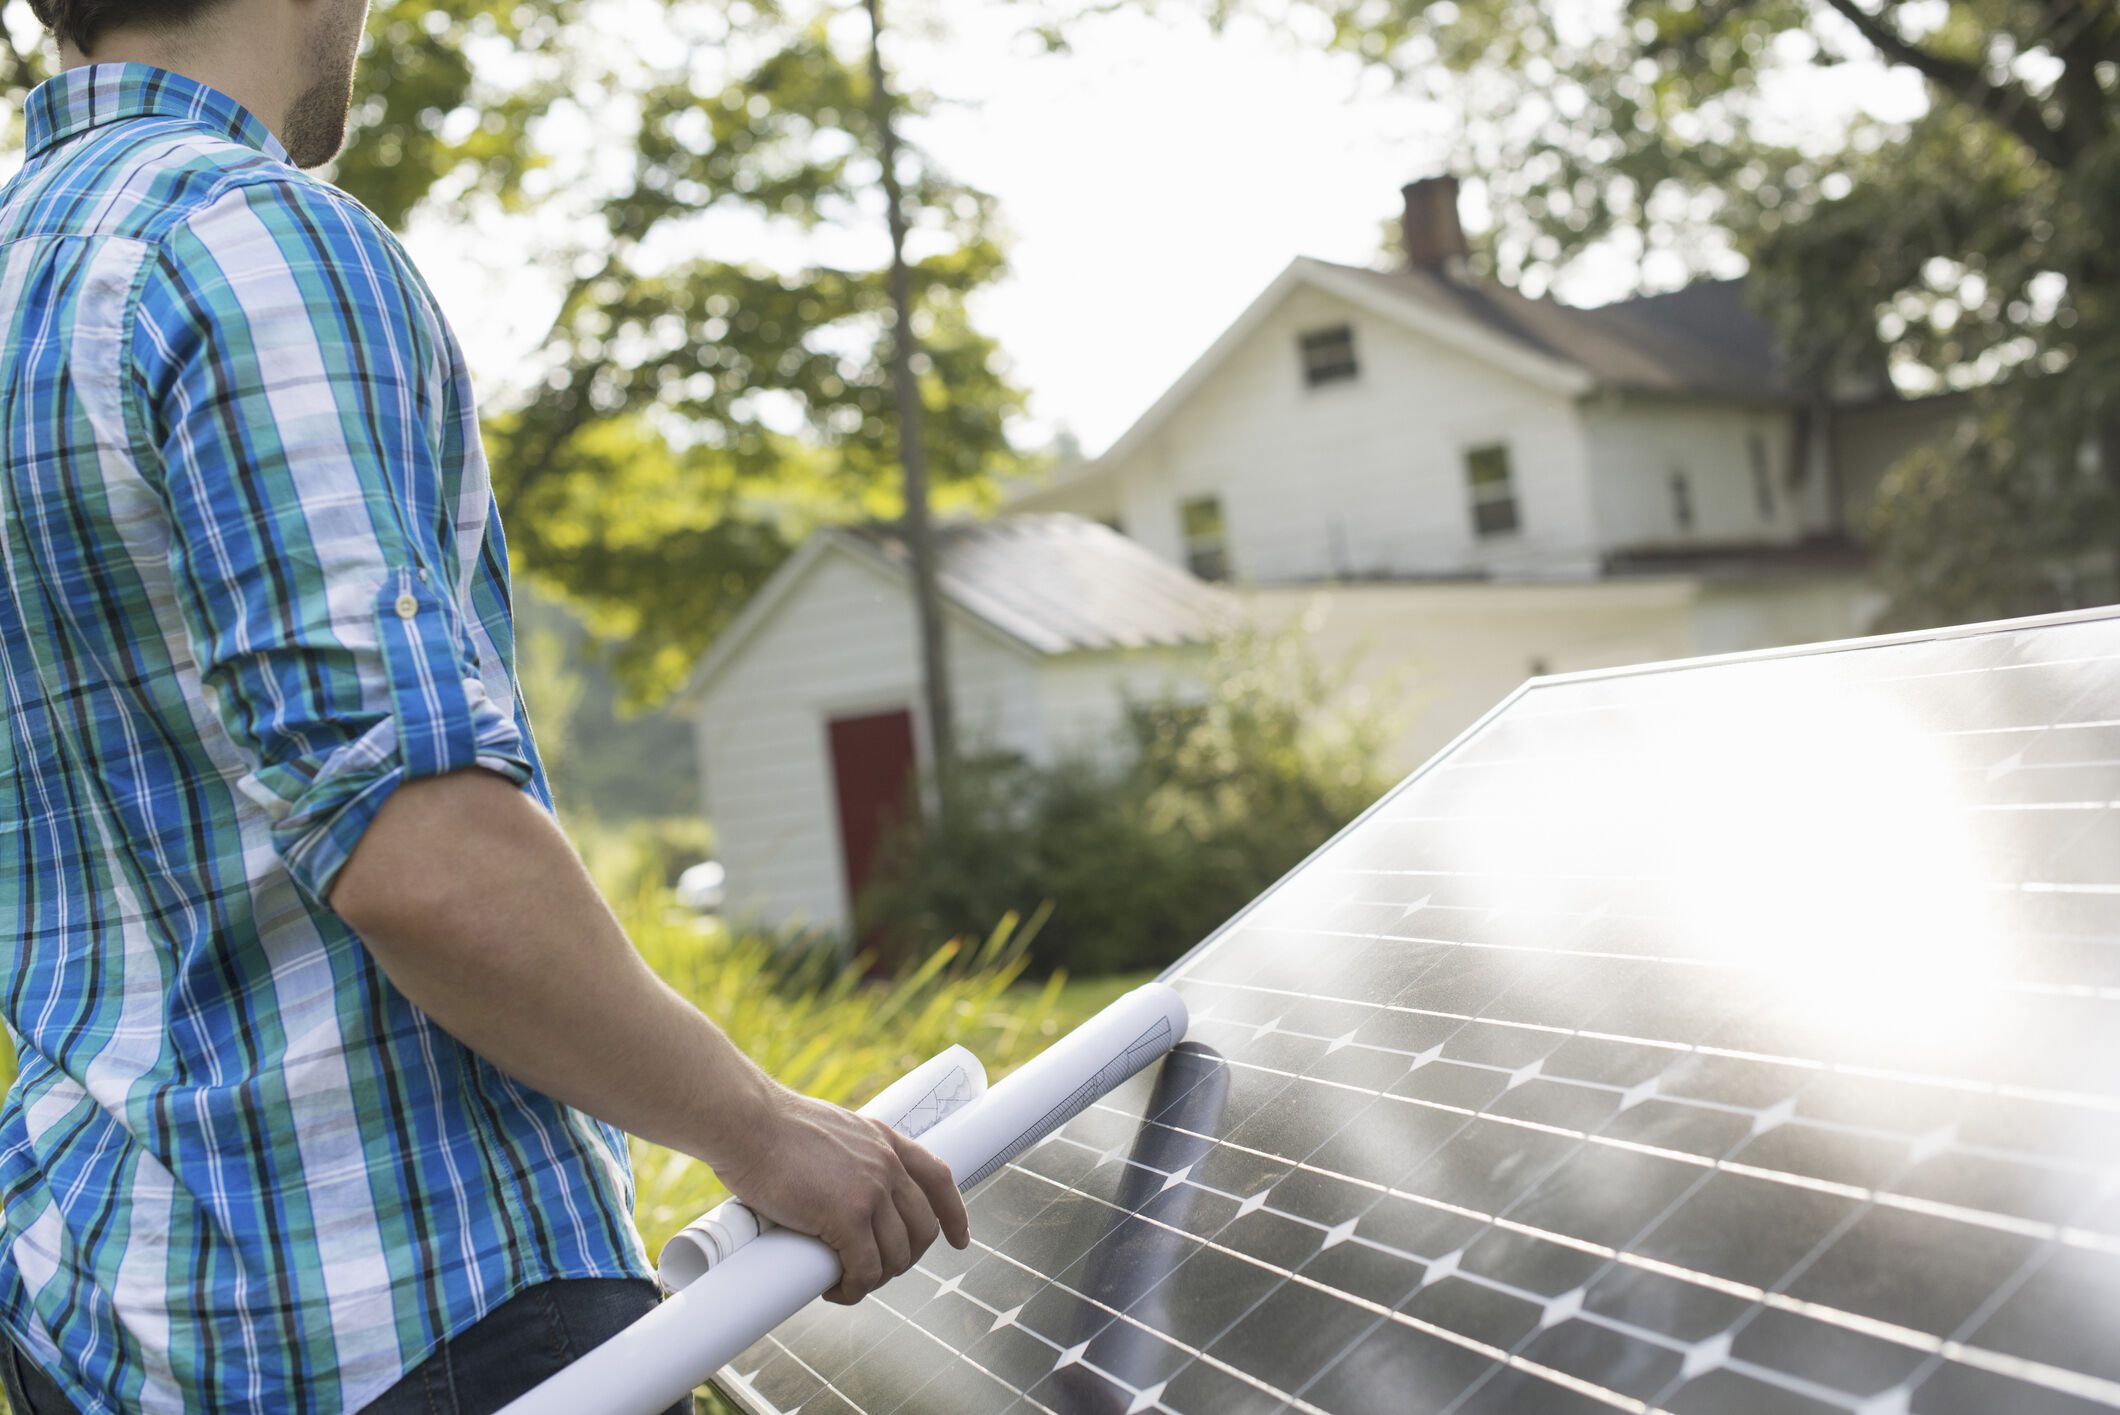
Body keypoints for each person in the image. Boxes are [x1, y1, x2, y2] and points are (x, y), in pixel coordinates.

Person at [0, 0, 971, 1408]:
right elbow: (421, 856)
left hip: (105, 1328)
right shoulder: (244, 244)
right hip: (409, 1313)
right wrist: (761, 1129)